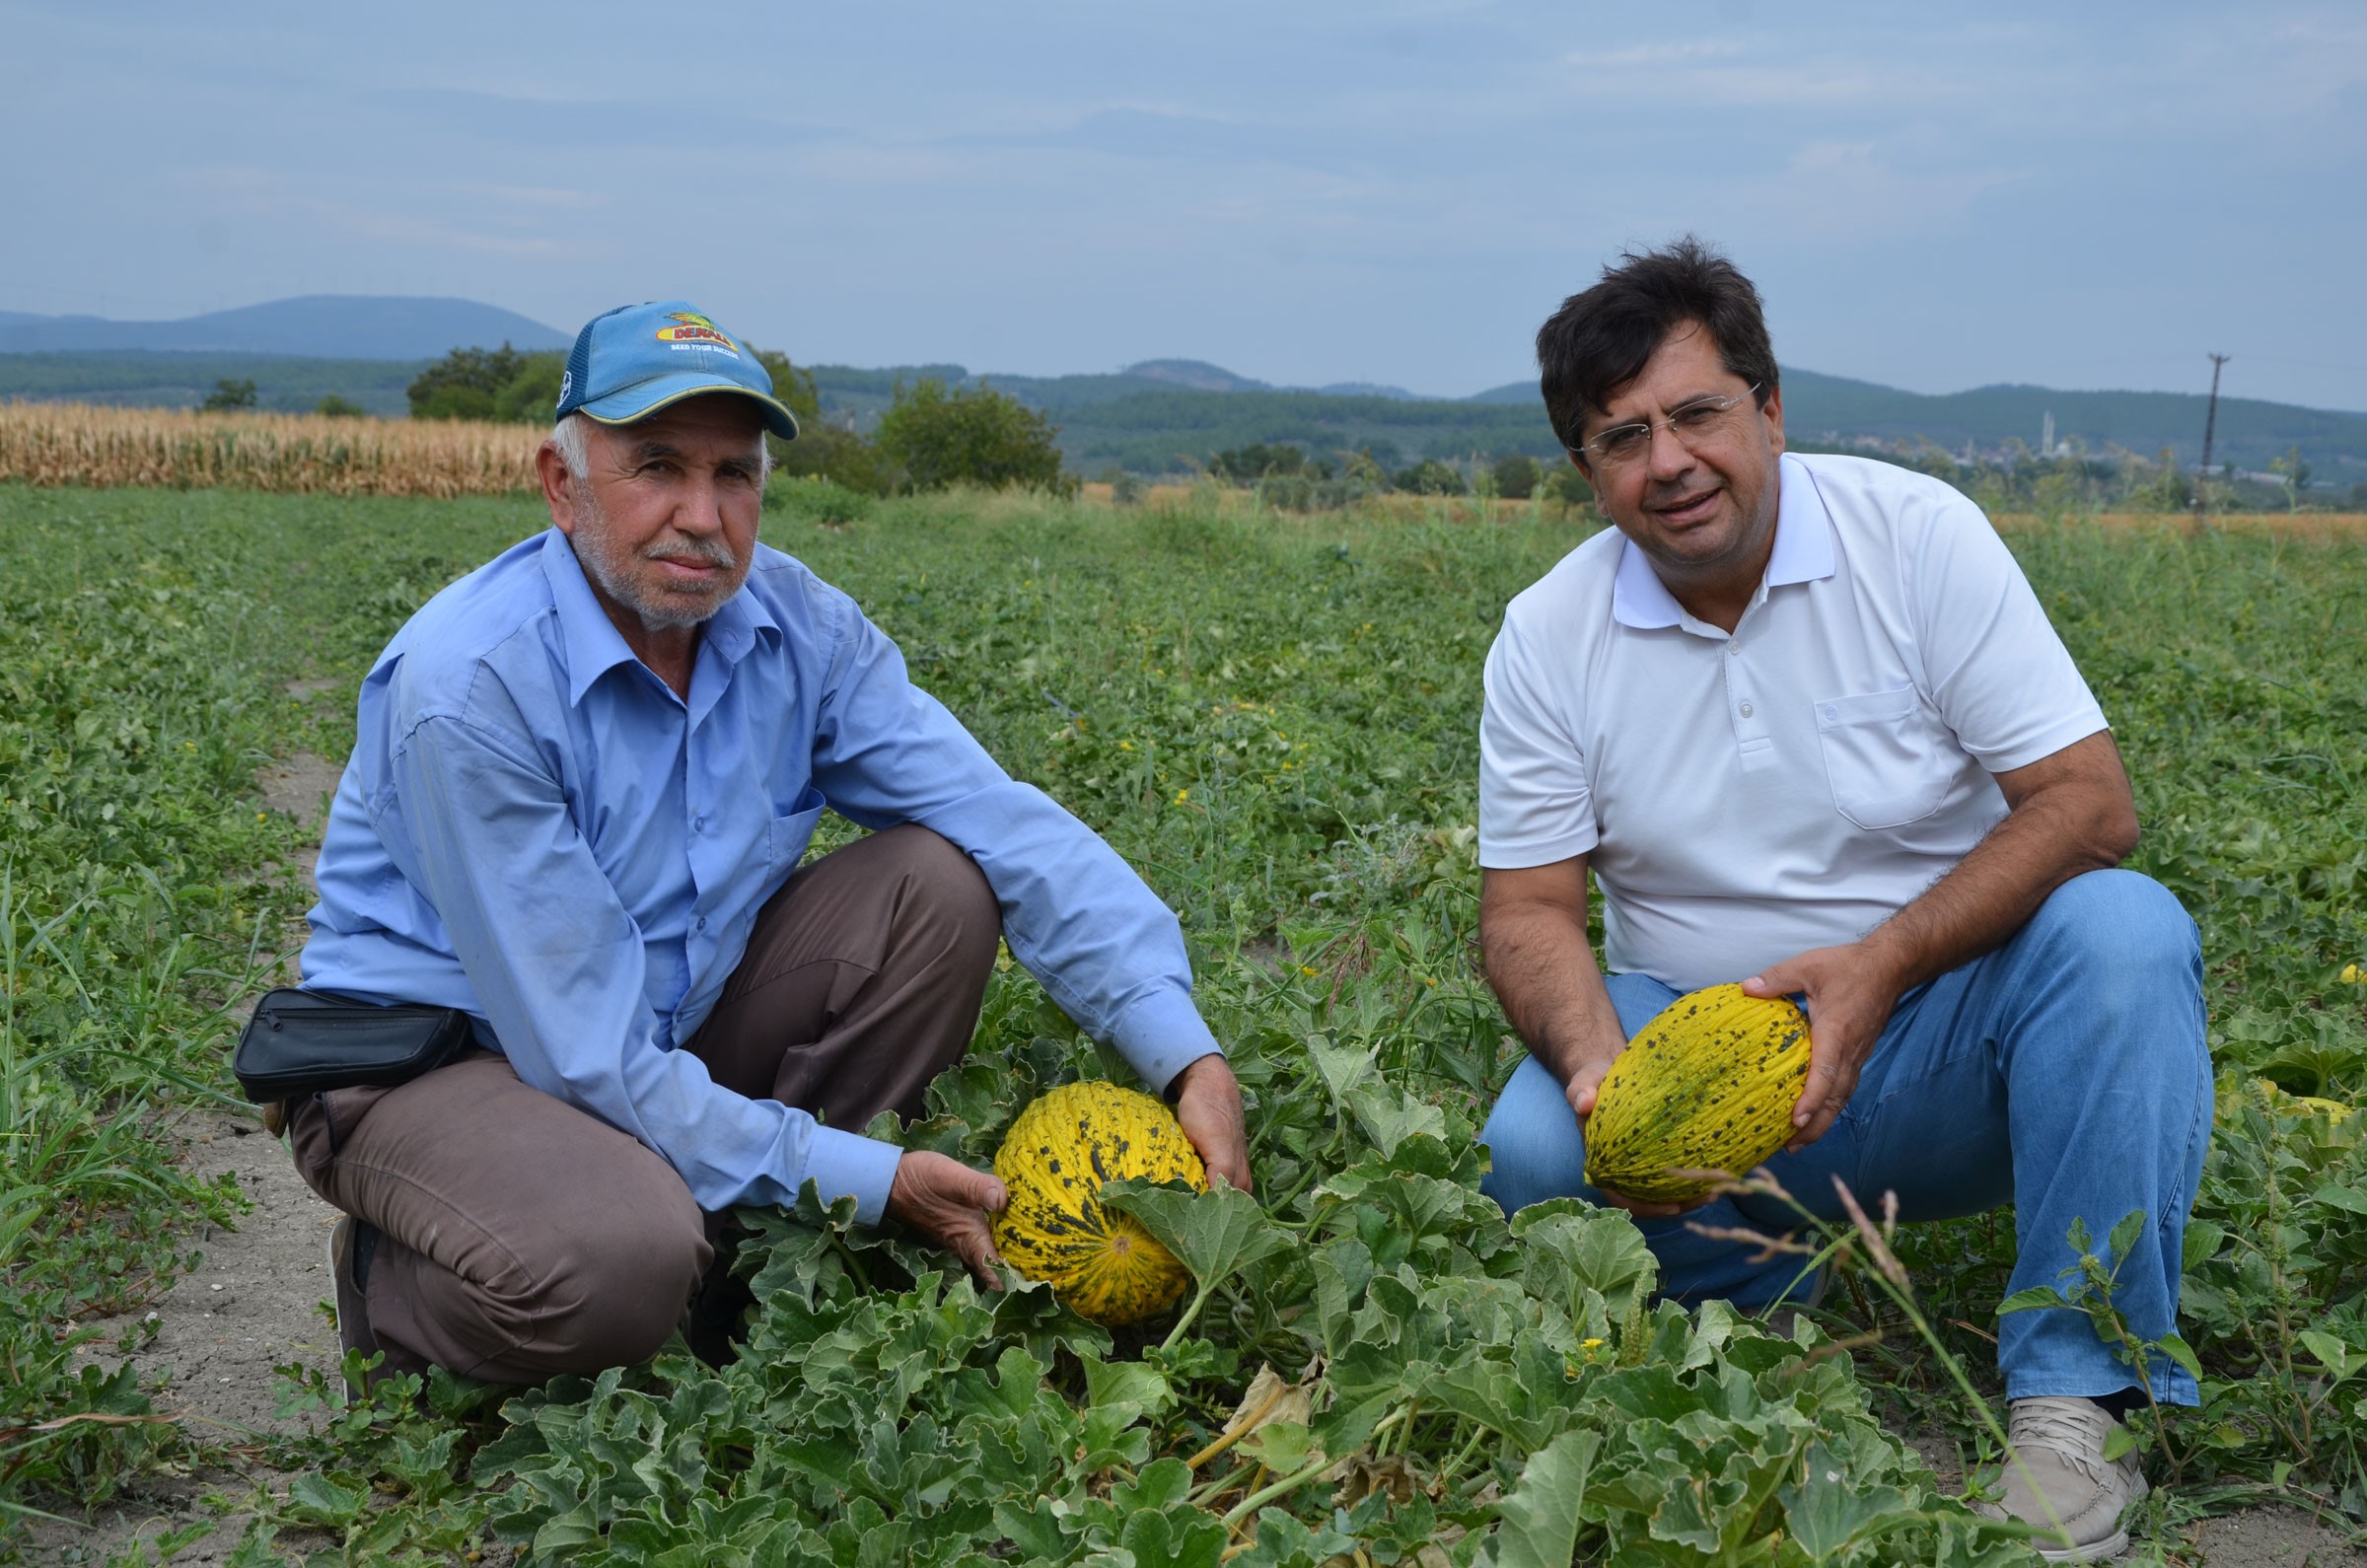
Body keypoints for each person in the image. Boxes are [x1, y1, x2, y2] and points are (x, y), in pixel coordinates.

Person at [287, 300, 1250, 1390]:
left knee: (936, 885)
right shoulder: (470, 688)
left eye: (734, 475)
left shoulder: (799, 629)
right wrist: (871, 1177)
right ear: (563, 485)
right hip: (441, 1060)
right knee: (618, 1257)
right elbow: (583, 1050)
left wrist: (1187, 1053)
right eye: (655, 467)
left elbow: (996, 816)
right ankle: (407, 1286)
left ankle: (750, 1272)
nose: (702, 515)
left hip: (662, 1024)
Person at [1473, 241, 2207, 1563]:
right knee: (1532, 1146)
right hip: (1700, 1050)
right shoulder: (1547, 633)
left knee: (2127, 933)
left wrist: (1885, 958)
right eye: (1621, 437)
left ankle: (2070, 1399)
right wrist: (1598, 1070)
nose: (1669, 462)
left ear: (1768, 409)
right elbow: (1527, 910)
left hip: (1940, 1036)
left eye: (1697, 413)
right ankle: (1776, 1306)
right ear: (1589, 475)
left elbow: (2090, 804)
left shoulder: (1914, 538)